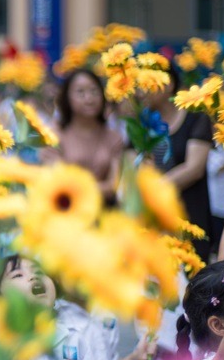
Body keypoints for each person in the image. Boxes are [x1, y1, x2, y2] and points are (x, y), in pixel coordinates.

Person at [144, 64, 212, 261]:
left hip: (190, 213)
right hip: (154, 218)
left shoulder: (195, 118)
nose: (142, 91)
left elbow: (194, 169)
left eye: (148, 84)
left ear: (168, 84)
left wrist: (154, 188)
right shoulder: (142, 123)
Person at [43, 69, 124, 203]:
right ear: (67, 98)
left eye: (94, 91)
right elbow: (57, 181)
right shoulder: (54, 136)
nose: (89, 99)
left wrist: (78, 191)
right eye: (80, 92)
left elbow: (113, 185)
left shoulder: (114, 137)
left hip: (106, 214)